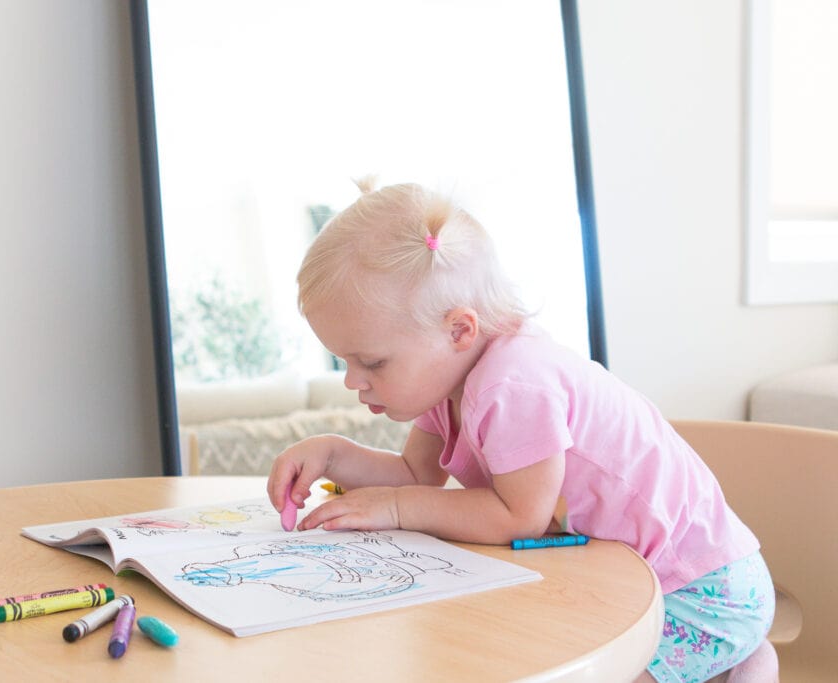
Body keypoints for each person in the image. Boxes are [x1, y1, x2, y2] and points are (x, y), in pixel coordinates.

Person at [267, 179, 778, 683]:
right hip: (634, 580)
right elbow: (413, 475)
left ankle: (738, 663)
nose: (354, 380)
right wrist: (335, 455)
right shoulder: (449, 383)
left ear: (459, 330)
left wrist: (394, 507)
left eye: (372, 361)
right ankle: (737, 666)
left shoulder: (512, 383)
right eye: (345, 361)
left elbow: (518, 517)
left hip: (699, 593)